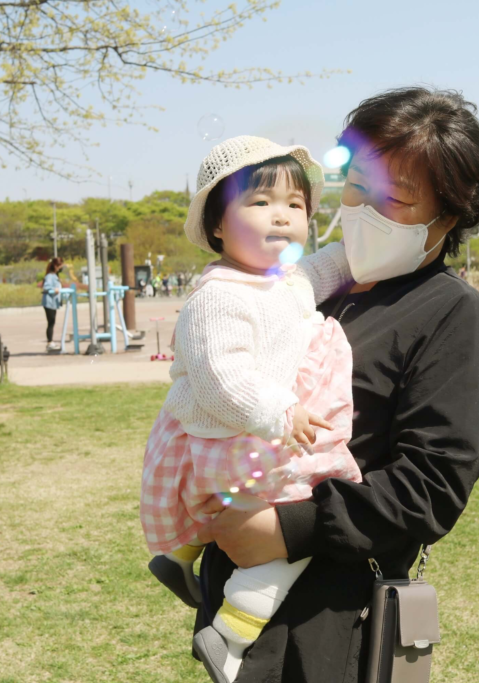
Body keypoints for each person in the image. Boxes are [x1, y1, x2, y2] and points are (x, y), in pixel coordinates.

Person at [192, 88, 479, 683]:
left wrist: (286, 530)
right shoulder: (313, 287)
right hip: (236, 587)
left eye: (395, 199)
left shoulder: (454, 316)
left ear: (448, 216)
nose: (363, 210)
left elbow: (432, 486)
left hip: (330, 614)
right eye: (357, 186)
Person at [139, 135, 362, 683]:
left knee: (257, 515)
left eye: (295, 205)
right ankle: (231, 633)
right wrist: (284, 412)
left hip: (244, 441)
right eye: (260, 202)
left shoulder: (286, 282)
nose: (281, 215)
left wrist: (369, 238)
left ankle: (181, 552)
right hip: (231, 438)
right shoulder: (220, 297)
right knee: (297, 530)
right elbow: (223, 381)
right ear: (217, 224)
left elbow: (331, 265)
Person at [41, 257, 64, 350]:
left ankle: (50, 342)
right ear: (55, 266)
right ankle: (50, 342)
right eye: (60, 266)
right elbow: (46, 287)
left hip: (53, 303)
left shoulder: (54, 275)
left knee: (52, 322)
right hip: (49, 303)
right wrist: (54, 289)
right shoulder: (50, 276)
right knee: (51, 322)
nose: (61, 268)